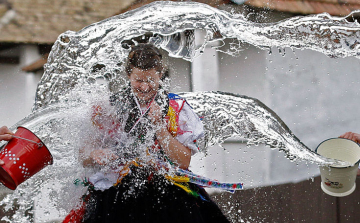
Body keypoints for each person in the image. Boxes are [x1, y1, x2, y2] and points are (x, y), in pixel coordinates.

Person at [63, 44, 230, 223]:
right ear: (128, 75)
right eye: (138, 80)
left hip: (167, 194)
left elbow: (183, 161)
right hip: (117, 194)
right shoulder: (108, 108)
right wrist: (95, 154)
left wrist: (159, 126)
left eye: (150, 80)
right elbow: (83, 156)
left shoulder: (176, 108)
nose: (144, 87)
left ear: (160, 75)